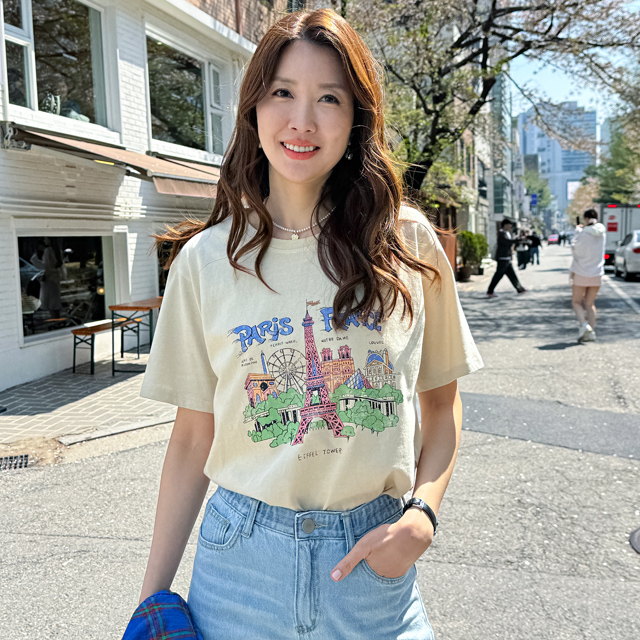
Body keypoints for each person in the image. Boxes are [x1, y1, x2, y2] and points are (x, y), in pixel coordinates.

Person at [136, 9, 483, 640]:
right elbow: (191, 439)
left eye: (329, 98)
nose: (302, 120)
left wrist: (423, 516)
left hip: (372, 567)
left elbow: (442, 405)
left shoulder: (406, 244)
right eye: (282, 93)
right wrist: (150, 600)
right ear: (253, 108)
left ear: (356, 119)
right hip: (239, 568)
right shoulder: (205, 261)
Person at [570, 209, 606, 342]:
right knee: (590, 304)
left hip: (581, 272)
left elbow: (575, 249)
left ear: (586, 219)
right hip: (597, 273)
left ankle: (584, 324)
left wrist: (577, 232)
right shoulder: (602, 233)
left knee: (576, 302)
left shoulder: (583, 233)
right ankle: (591, 332)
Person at [486, 218, 526, 297]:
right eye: (509, 226)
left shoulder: (507, 233)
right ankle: (490, 291)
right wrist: (516, 240)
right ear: (505, 225)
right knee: (498, 275)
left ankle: (520, 289)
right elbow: (507, 242)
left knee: (512, 275)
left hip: (507, 257)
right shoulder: (501, 234)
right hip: (502, 258)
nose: (510, 227)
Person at [30, 238, 66, 318]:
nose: (44, 241)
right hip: (55, 278)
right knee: (54, 300)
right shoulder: (57, 251)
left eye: (46, 239)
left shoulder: (48, 251)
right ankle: (57, 318)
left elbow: (46, 266)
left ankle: (54, 318)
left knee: (50, 302)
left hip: (48, 278)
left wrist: (35, 260)